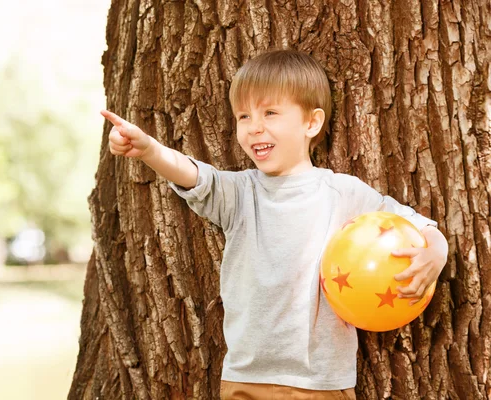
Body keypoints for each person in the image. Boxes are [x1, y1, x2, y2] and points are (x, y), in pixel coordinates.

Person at [100, 49, 448, 400]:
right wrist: (149, 150)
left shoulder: (343, 193)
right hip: (247, 377)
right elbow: (193, 175)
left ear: (311, 123)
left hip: (321, 382)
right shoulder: (240, 193)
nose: (255, 126)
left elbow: (415, 224)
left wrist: (436, 251)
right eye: (244, 115)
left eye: (270, 112)